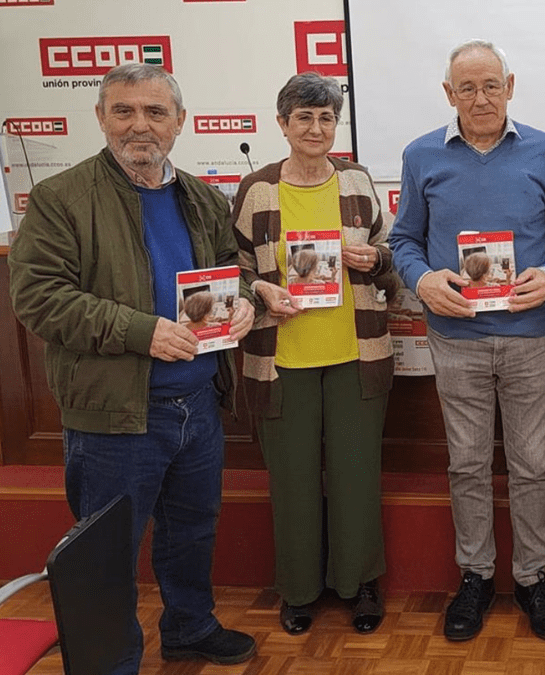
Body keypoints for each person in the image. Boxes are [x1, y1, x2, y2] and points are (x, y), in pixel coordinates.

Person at [7, 63, 257, 672]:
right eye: (123, 111)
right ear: (100, 118)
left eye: (154, 112)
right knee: (108, 554)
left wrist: (246, 296)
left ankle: (189, 627)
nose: (138, 125)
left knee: (191, 532)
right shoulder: (60, 197)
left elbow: (230, 268)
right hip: (114, 414)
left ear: (179, 123)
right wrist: (141, 332)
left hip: (196, 404)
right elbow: (38, 297)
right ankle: (109, 663)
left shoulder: (200, 196)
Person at [389, 39, 545, 642]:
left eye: (491, 85)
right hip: (456, 338)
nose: (480, 97)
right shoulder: (421, 156)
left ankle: (532, 576)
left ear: (511, 86)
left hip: (532, 335)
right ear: (449, 94)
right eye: (466, 88)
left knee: (532, 465)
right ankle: (475, 576)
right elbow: (404, 241)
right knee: (466, 463)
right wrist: (422, 279)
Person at [231, 73, 397, 636]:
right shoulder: (257, 189)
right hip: (281, 360)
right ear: (282, 125)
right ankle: (299, 590)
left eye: (326, 117)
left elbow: (387, 252)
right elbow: (234, 269)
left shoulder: (355, 179)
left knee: (356, 476)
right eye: (303, 117)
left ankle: (360, 585)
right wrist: (259, 290)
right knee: (293, 479)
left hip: (357, 354)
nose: (316, 128)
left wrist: (373, 261)